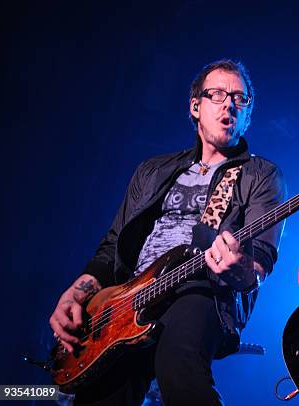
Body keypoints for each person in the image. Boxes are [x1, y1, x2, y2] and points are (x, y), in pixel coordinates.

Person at [49, 59, 285, 405]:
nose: (229, 103)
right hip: (129, 298)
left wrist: (241, 269)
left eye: (240, 98)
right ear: (195, 106)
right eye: (217, 94)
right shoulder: (152, 171)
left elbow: (260, 262)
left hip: (201, 288)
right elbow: (113, 245)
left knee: (180, 368)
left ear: (248, 114)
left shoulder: (260, 174)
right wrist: (78, 291)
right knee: (100, 395)